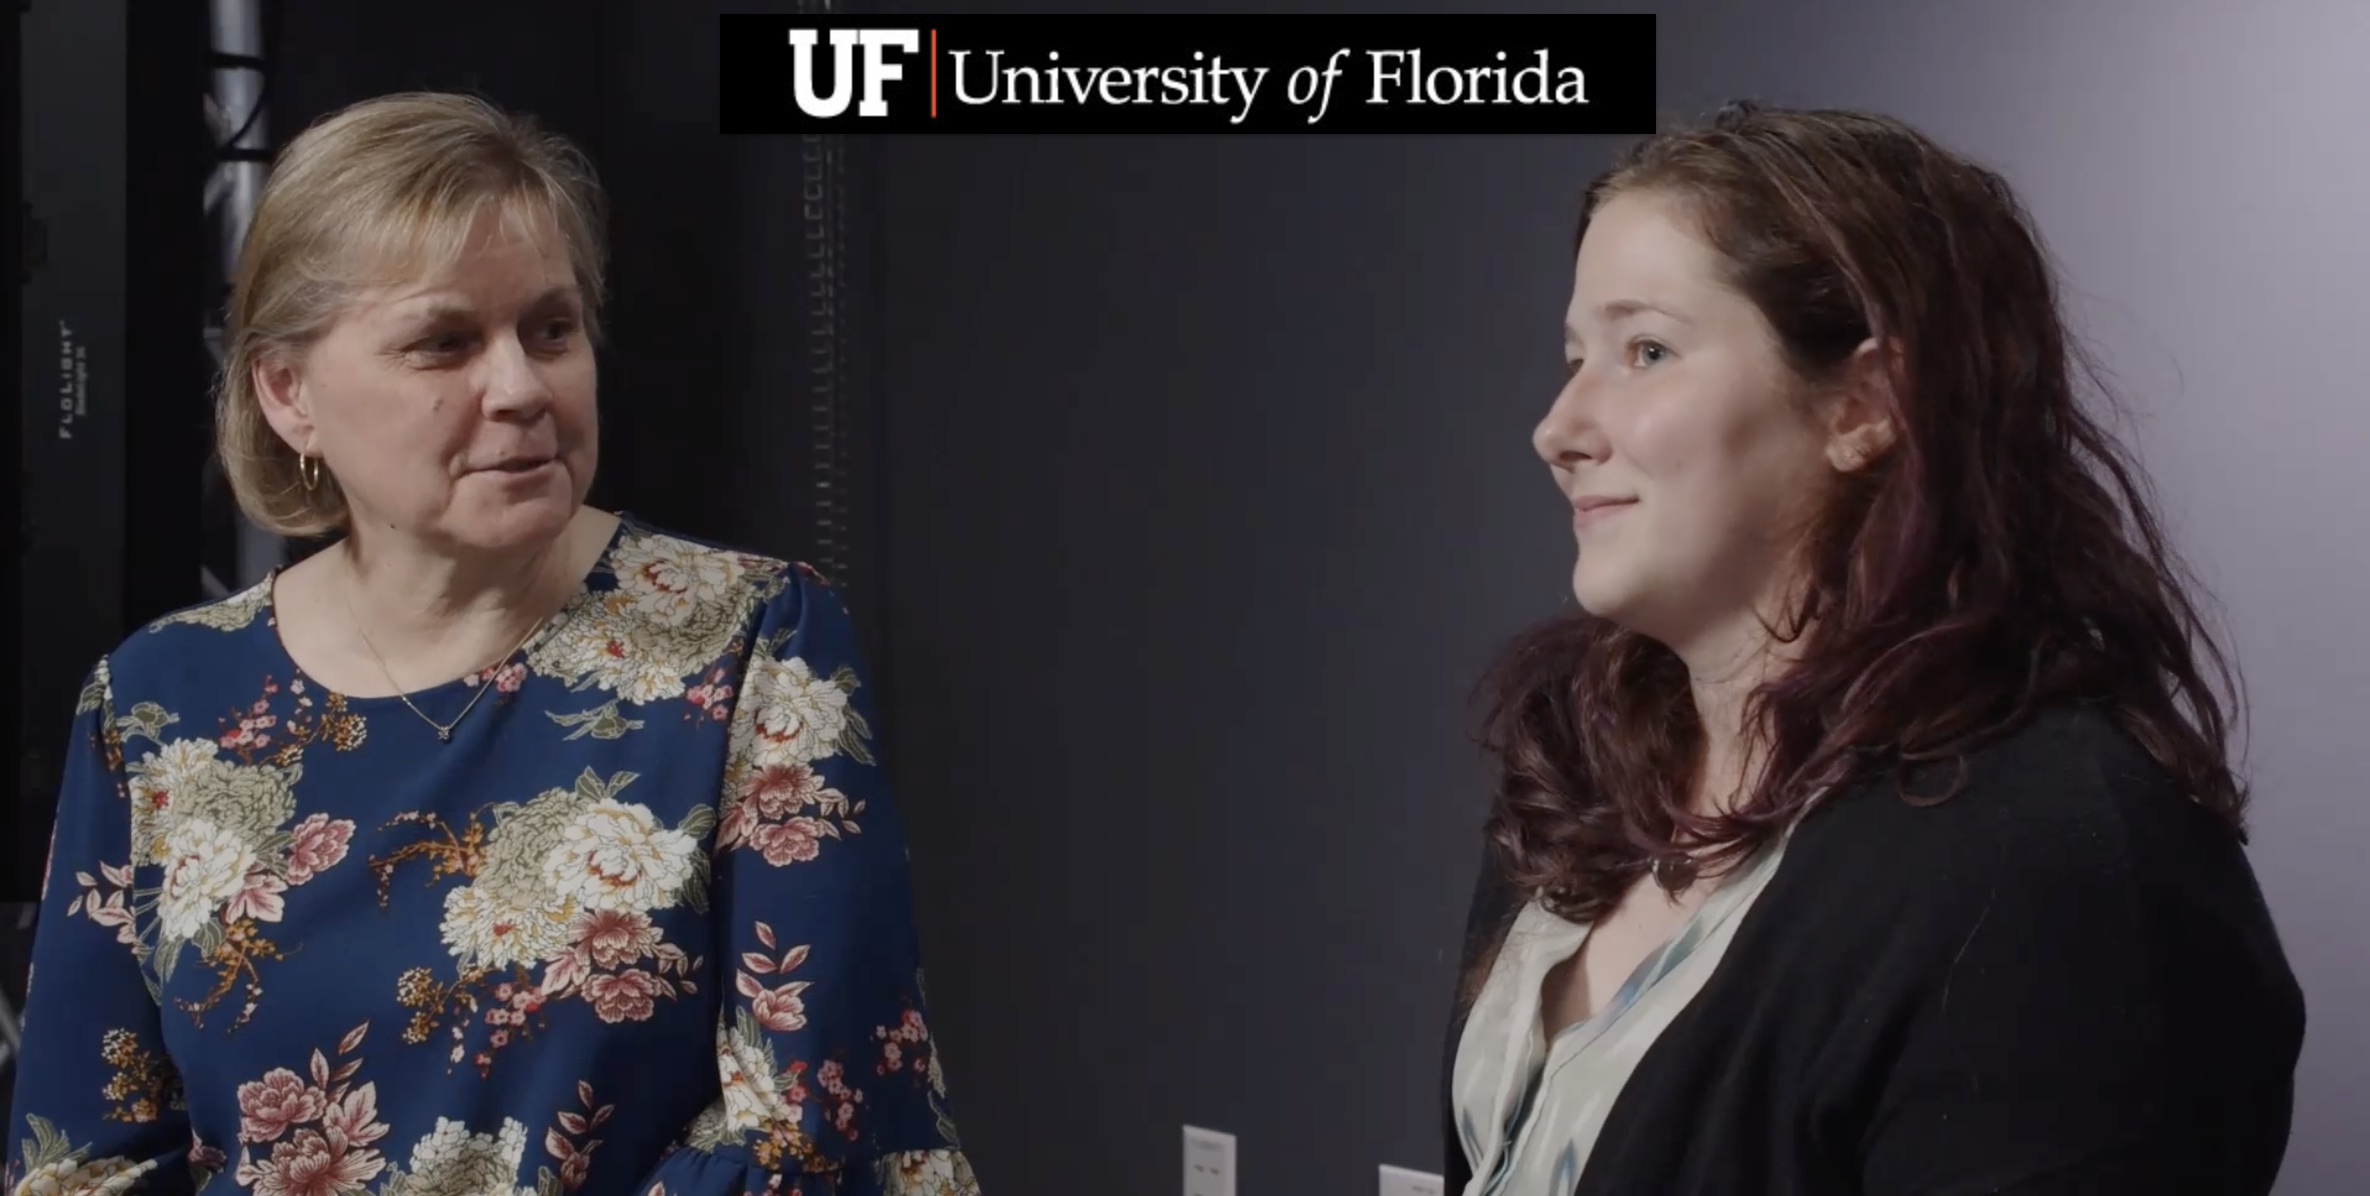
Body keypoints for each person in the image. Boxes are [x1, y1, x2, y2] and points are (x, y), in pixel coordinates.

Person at [3, 92, 978, 1196]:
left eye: (551, 329)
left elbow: (816, 1130)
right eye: (444, 342)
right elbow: (78, 1158)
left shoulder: (752, 639)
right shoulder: (154, 698)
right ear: (289, 393)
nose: (520, 387)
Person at [1441, 102, 2305, 1195]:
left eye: (1646, 350)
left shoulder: (2058, 864)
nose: (1559, 427)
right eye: (1576, 356)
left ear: (1865, 403)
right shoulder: (1581, 785)